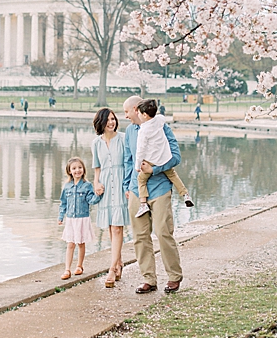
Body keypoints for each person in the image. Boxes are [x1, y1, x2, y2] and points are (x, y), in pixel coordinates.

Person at [123, 95, 184, 294]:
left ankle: (174, 276)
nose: (125, 117)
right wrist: (127, 185)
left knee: (163, 232)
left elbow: (176, 157)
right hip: (136, 189)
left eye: (126, 112)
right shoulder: (130, 131)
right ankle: (149, 279)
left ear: (136, 109)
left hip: (160, 188)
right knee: (140, 236)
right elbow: (128, 160)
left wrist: (154, 170)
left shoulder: (162, 128)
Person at [90, 107, 131, 288]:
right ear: (101, 122)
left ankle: (112, 268)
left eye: (113, 119)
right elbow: (97, 168)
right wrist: (96, 184)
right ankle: (119, 262)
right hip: (106, 187)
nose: (111, 122)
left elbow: (129, 163)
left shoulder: (123, 139)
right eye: (108, 120)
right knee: (110, 227)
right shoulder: (96, 143)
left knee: (117, 228)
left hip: (121, 185)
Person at [134, 99, 193, 217]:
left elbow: (140, 150)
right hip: (165, 158)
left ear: (145, 115)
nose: (138, 114)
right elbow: (161, 117)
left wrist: (137, 165)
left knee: (141, 180)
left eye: (139, 113)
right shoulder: (160, 120)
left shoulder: (143, 131)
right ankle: (185, 194)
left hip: (152, 161)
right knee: (173, 176)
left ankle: (143, 204)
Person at [57, 157, 101, 280]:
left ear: (83, 169)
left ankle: (79, 266)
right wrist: (61, 216)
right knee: (70, 244)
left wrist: (98, 194)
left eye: (80, 168)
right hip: (71, 220)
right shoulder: (67, 187)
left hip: (82, 219)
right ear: (69, 171)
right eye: (74, 168)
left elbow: (91, 200)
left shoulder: (87, 186)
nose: (77, 170)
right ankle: (67, 269)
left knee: (81, 243)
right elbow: (63, 203)